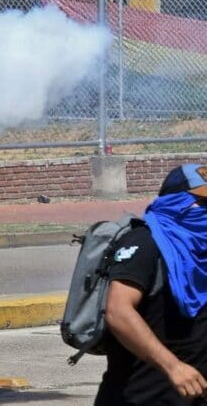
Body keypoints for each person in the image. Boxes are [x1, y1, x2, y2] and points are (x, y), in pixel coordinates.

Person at [95, 163, 207, 405]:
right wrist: (173, 367)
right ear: (175, 203)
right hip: (140, 397)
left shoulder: (202, 254)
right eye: (204, 204)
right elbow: (118, 312)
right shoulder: (144, 243)